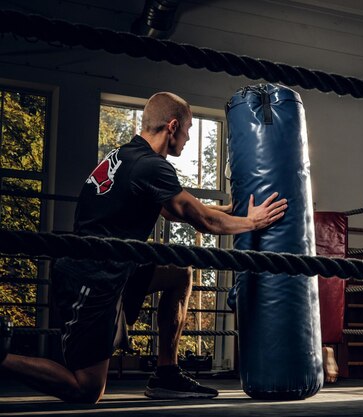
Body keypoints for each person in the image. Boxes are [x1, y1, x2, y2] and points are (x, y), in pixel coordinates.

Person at [0, 92, 288, 403]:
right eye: (189, 129)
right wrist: (253, 222)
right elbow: (204, 222)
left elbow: (172, 208)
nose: (189, 138)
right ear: (172, 126)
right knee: (86, 389)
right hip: (92, 278)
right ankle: (1, 358)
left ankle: (167, 373)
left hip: (118, 267)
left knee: (179, 272)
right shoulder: (151, 166)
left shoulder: (126, 156)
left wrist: (229, 210)